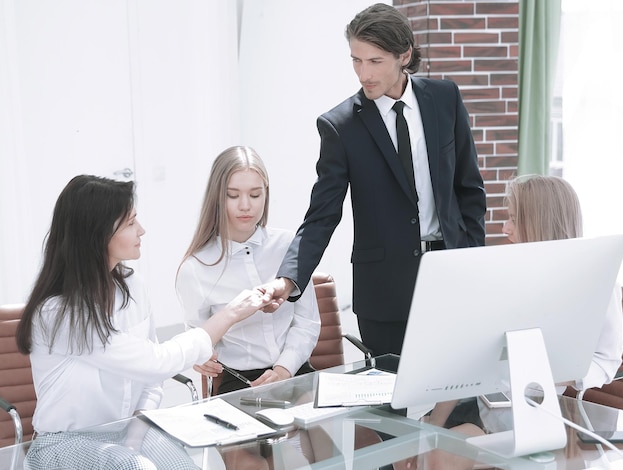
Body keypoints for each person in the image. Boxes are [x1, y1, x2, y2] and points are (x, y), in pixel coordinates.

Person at [261, 3, 486, 357]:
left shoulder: (445, 99)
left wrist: (473, 258)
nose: (363, 73)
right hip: (384, 290)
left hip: (451, 273)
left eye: (375, 61)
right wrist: (288, 278)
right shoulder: (340, 126)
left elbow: (469, 189)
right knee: (390, 405)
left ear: (404, 55)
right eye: (356, 60)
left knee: (460, 400)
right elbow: (322, 215)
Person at [15, 175, 272, 470]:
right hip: (63, 443)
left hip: (128, 429)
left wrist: (138, 428)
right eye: (130, 223)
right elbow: (157, 361)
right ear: (97, 235)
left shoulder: (132, 286)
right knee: (136, 467)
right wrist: (229, 314)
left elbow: (151, 380)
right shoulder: (59, 313)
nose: (142, 230)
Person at [176, 145, 321, 394]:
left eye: (255, 195)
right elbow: (197, 335)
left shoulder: (290, 247)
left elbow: (307, 322)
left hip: (295, 369)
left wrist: (284, 370)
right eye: (233, 195)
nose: (246, 206)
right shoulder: (196, 268)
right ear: (217, 197)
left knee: (328, 428)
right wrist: (200, 356)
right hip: (239, 382)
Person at [503, 174, 623, 391]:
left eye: (513, 219)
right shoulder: (508, 271)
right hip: (488, 398)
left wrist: (545, 377)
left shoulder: (597, 280)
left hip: (542, 405)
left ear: (540, 221)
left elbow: (607, 360)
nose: (505, 228)